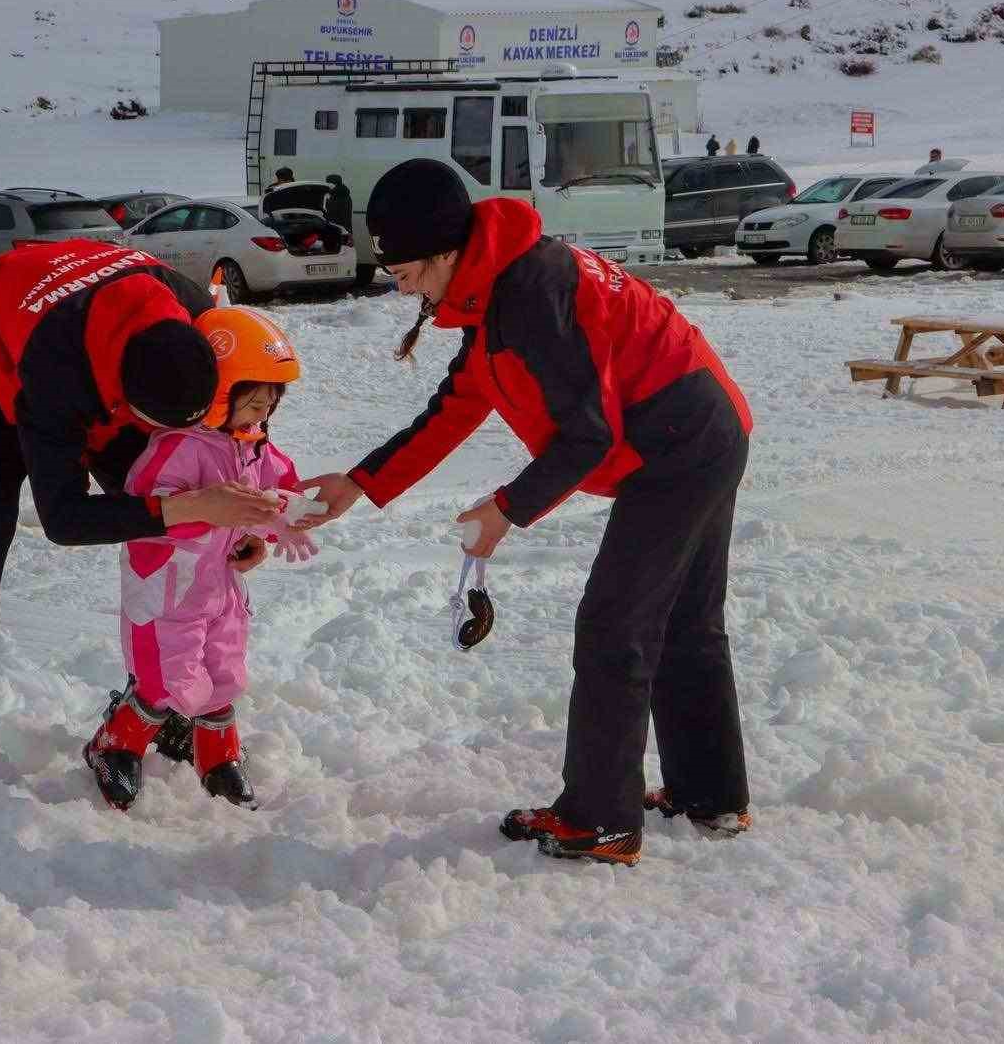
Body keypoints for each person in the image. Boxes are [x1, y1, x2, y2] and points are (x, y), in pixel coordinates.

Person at [298, 159, 754, 867]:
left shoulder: (529, 296)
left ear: (447, 251)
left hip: (680, 443)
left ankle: (601, 820)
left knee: (615, 625)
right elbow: (454, 407)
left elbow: (588, 434)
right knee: (683, 623)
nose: (399, 282)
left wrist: (505, 511)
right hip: (693, 428)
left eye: (406, 267)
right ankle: (709, 795)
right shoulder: (493, 290)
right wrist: (359, 483)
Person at [0, 240, 282, 766]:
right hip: (3, 328)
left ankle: (157, 692)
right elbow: (63, 520)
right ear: (124, 404)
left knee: (170, 510)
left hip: (105, 321)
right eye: (159, 427)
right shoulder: (55, 374)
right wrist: (191, 505)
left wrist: (241, 524)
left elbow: (237, 434)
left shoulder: (201, 319)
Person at [84, 307, 315, 812]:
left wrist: (284, 517)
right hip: (167, 593)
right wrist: (209, 510)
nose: (261, 418)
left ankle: (216, 754)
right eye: (252, 405)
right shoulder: (175, 450)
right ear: (215, 397)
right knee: (167, 679)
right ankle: (116, 744)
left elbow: (279, 486)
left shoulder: (252, 448)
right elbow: (152, 513)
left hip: (222, 590)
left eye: (269, 406)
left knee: (225, 670)